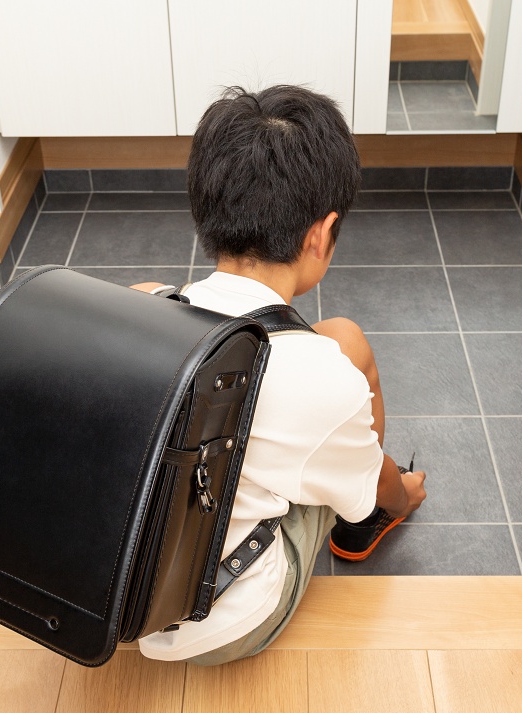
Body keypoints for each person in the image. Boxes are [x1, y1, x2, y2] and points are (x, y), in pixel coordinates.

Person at [131, 85, 427, 666]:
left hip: (119, 589)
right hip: (220, 620)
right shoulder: (323, 381)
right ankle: (364, 531)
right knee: (348, 360)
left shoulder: (140, 306)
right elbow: (376, 476)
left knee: (333, 347)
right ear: (320, 234)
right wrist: (403, 496)